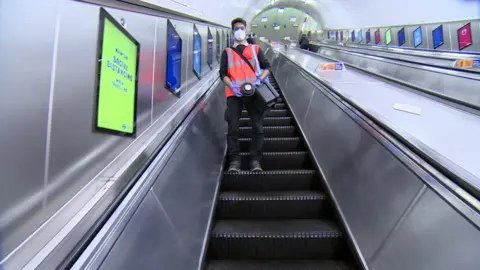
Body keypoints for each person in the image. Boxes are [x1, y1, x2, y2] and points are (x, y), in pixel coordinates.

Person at [220, 17, 271, 173]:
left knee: (257, 127)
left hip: (253, 92)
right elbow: (222, 73)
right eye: (236, 28)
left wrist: (258, 80)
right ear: (232, 32)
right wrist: (232, 86)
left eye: (241, 27)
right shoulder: (227, 52)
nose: (239, 31)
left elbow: (267, 67)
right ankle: (235, 161)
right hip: (234, 93)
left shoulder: (255, 50)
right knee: (233, 127)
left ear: (246, 30)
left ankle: (255, 160)